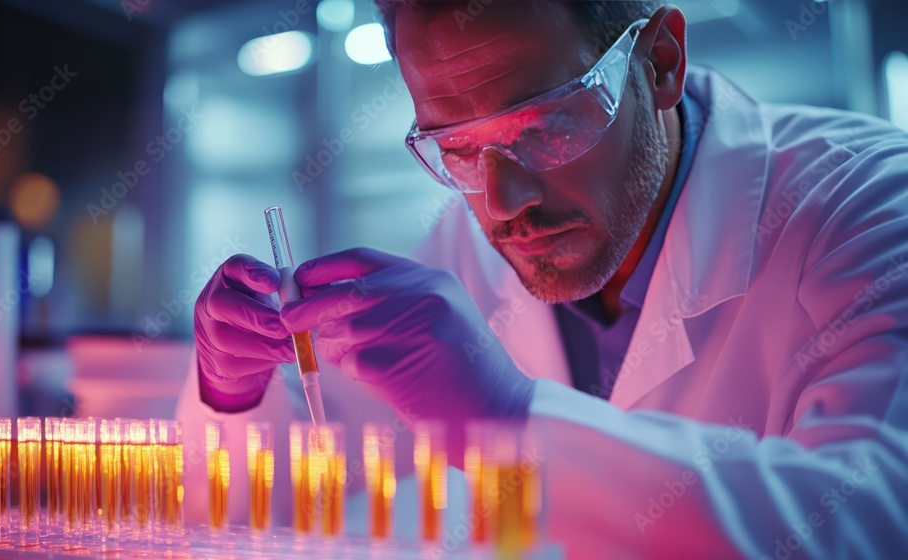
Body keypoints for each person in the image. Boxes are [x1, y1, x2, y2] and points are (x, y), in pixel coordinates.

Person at [178, 1, 908, 556]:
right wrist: (233, 390)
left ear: (659, 63)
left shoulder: (871, 204)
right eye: (456, 149)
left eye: (546, 124)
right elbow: (288, 512)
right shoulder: (461, 244)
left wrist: (509, 419)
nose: (503, 204)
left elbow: (875, 518)